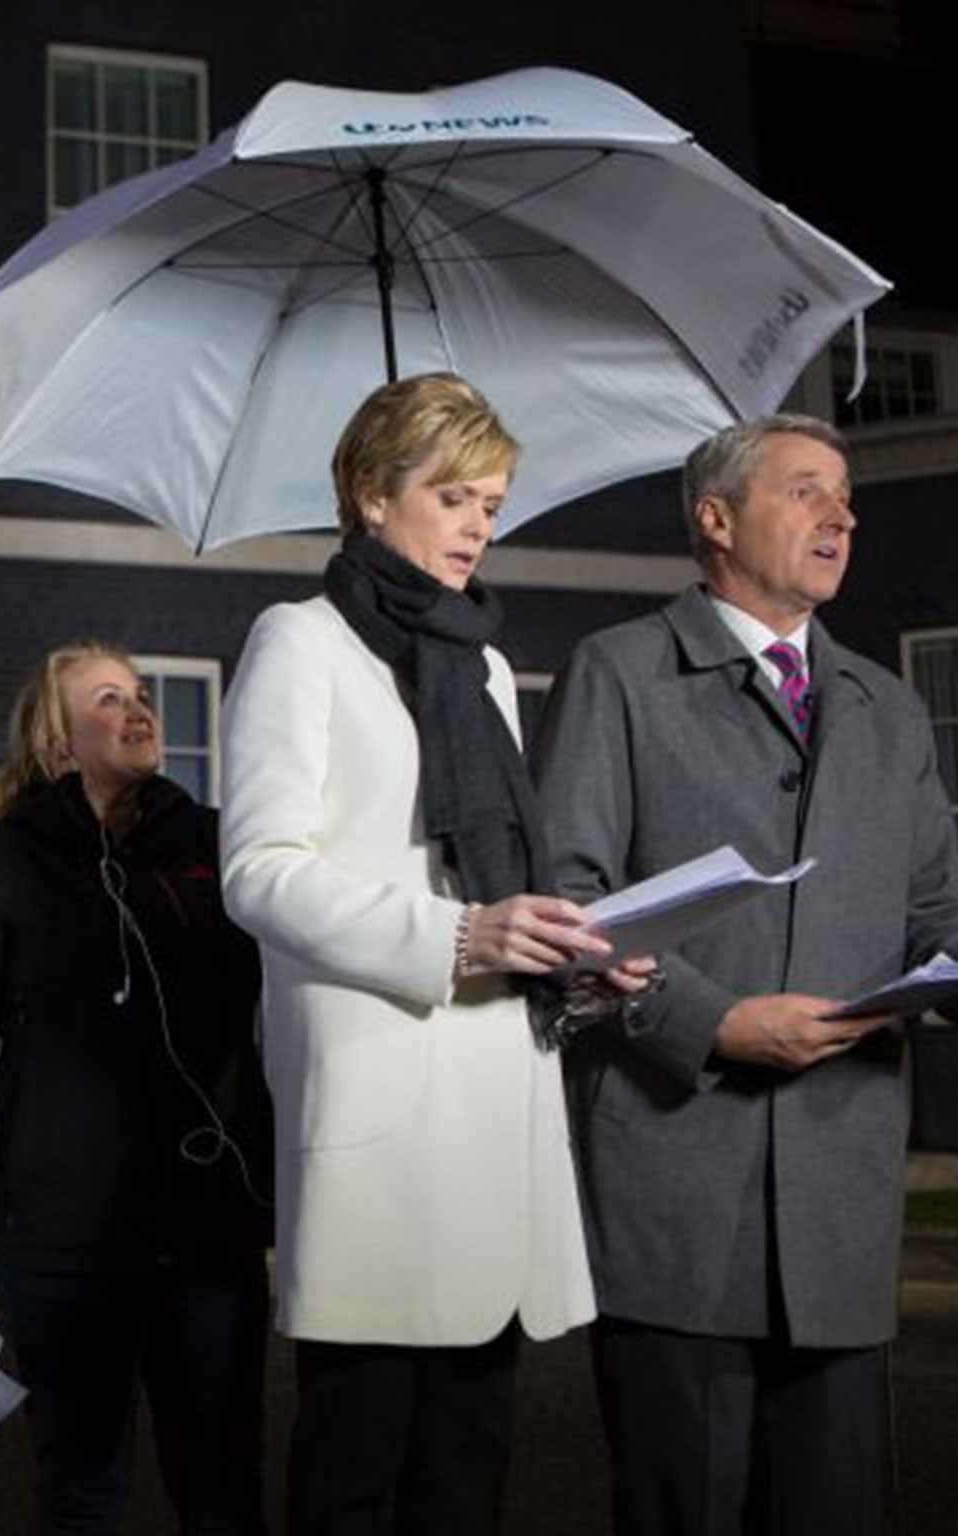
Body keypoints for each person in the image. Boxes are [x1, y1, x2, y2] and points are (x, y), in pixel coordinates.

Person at [530, 413, 958, 1536]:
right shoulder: (616, 674)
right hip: (672, 1187)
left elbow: (929, 914)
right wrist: (709, 1023)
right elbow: (570, 910)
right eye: (806, 491)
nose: (840, 516)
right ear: (714, 520)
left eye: (845, 497)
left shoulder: (884, 709)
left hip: (838, 1199)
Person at [219, 372, 638, 1536]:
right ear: (366, 494)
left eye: (492, 504)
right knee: (354, 1470)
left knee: (467, 1471)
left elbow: (502, 877)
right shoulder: (297, 643)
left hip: (497, 1095)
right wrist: (453, 936)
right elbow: (256, 870)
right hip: (382, 1105)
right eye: (451, 497)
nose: (475, 527)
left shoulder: (486, 666)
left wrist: (576, 956)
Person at [0, 641, 273, 1536]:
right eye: (109, 698)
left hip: (206, 1237)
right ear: (55, 743)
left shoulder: (216, 850)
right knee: (82, 1493)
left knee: (224, 1491)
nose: (139, 709)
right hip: (61, 1247)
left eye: (142, 695)